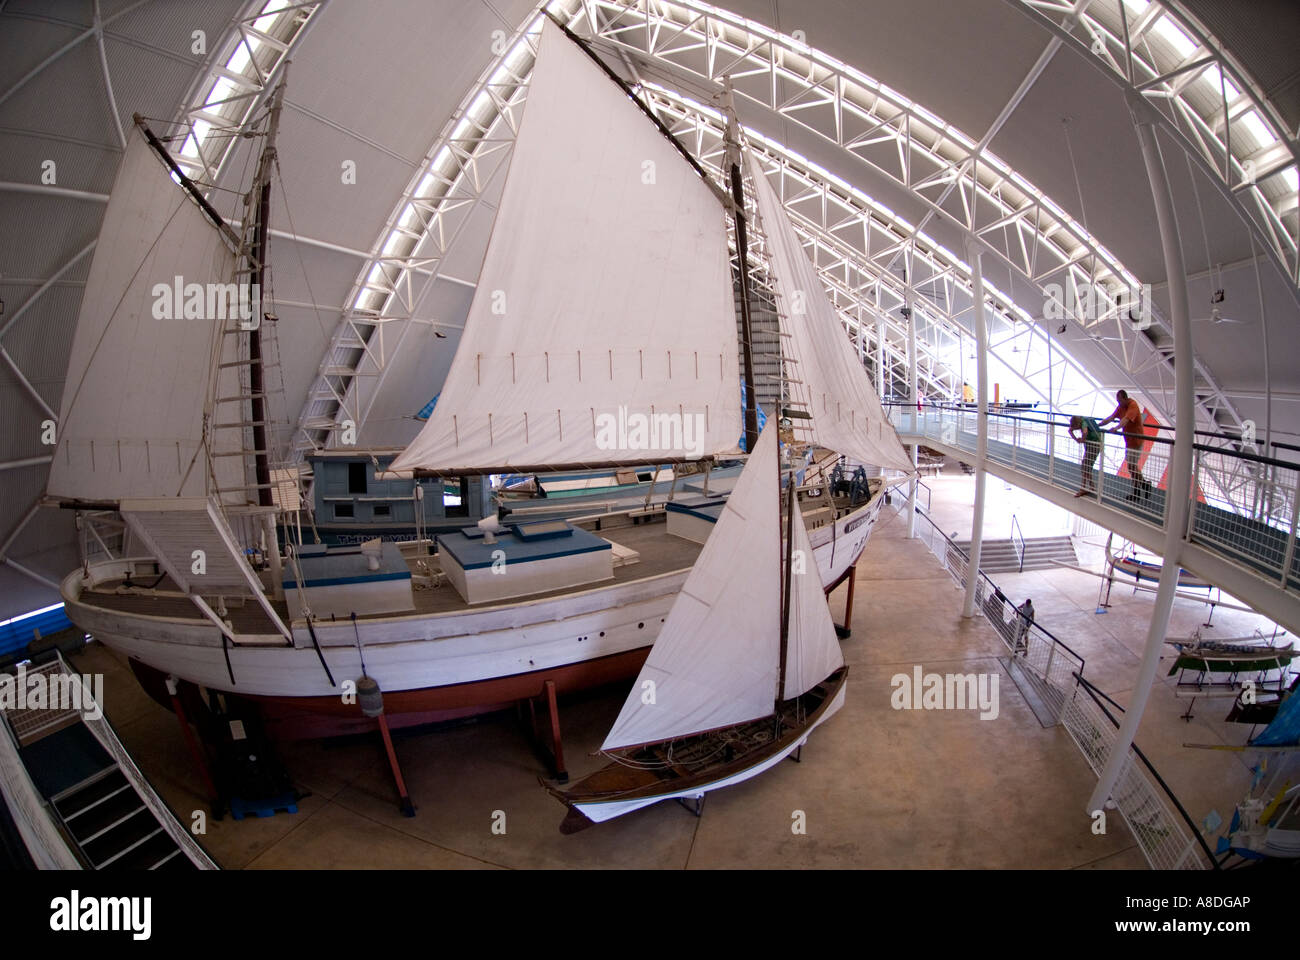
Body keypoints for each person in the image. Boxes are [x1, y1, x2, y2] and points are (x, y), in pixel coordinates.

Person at [1098, 389, 1151, 502]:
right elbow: (1111, 417)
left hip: (1136, 440)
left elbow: (1125, 420)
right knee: (1132, 467)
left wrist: (1116, 428)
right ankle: (1141, 487)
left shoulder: (1133, 405)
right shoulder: (1120, 406)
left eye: (1119, 401)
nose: (1118, 403)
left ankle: (1141, 487)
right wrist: (1099, 424)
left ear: (1125, 398)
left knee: (1131, 466)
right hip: (1129, 441)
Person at [1068, 415, 1103, 497]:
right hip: (1093, 444)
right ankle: (1091, 486)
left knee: (1085, 465)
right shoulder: (1083, 421)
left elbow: (1085, 432)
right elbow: (1070, 430)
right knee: (1087, 466)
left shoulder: (1083, 423)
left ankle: (1083, 487)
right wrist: (1078, 439)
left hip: (1094, 445)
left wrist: (1080, 440)